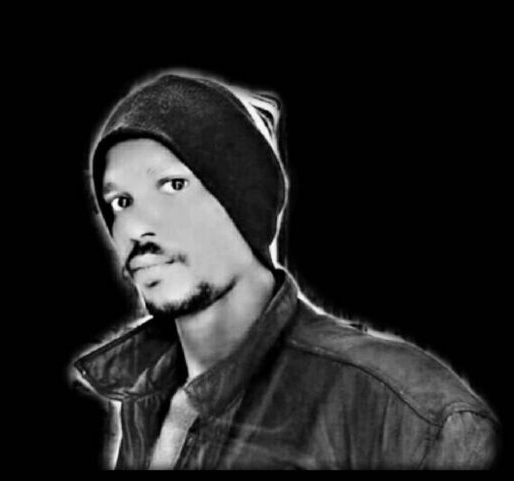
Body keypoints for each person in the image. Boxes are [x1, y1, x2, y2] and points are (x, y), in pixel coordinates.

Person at [70, 71, 499, 469]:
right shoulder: (144, 394)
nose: (136, 227)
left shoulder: (410, 413)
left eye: (173, 185)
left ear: (243, 202)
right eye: (120, 202)